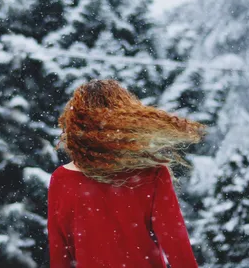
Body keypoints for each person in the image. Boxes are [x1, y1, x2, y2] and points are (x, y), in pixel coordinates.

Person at [47, 78, 206, 267]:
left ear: (76, 126)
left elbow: (59, 254)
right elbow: (175, 242)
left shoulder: (62, 179)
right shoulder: (152, 173)